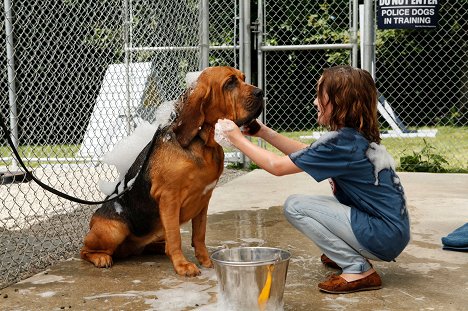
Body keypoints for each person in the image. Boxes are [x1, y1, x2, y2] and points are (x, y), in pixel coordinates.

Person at [217, 65, 410, 294]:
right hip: (390, 230)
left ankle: (357, 268)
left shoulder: (340, 143)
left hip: (382, 235)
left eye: (320, 95)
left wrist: (236, 139)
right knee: (313, 205)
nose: (315, 102)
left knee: (296, 206)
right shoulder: (351, 137)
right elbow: (307, 153)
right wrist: (262, 132)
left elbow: (277, 167)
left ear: (339, 101)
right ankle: (347, 251)